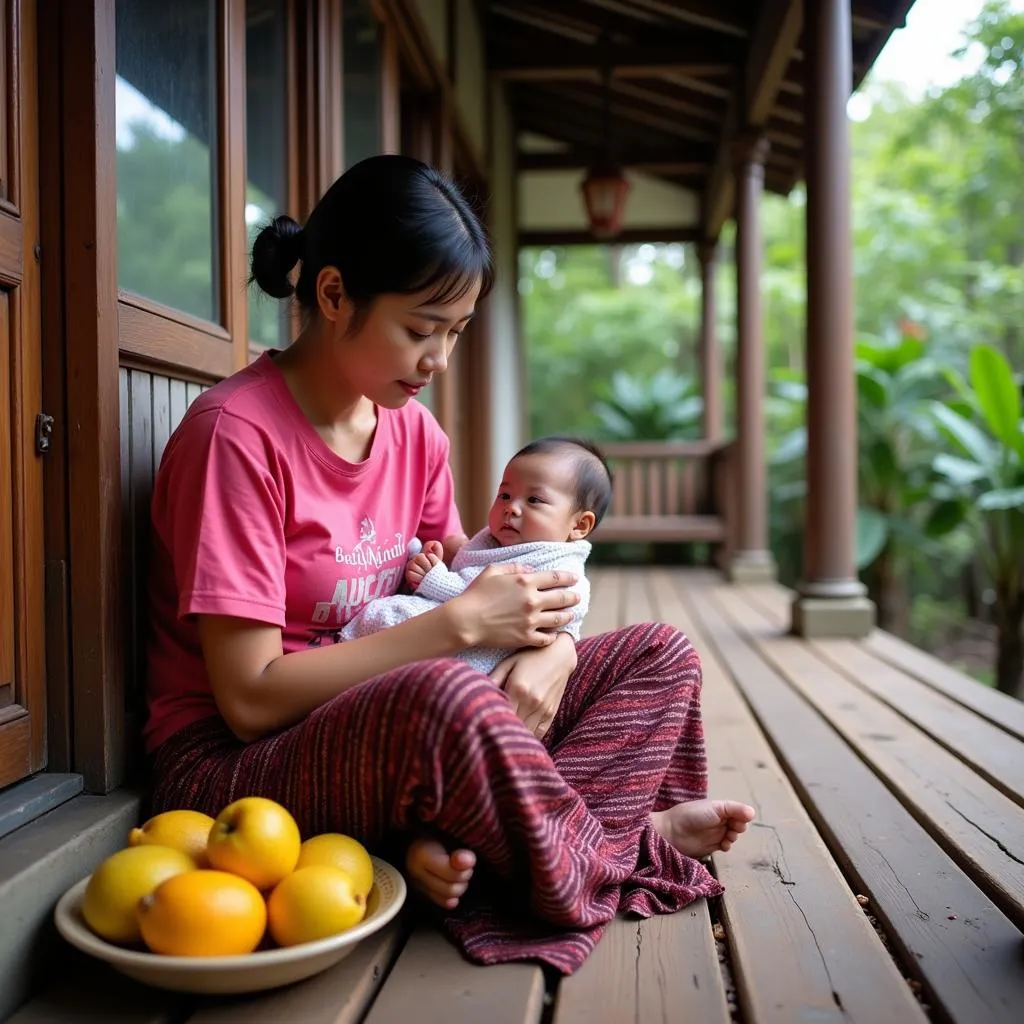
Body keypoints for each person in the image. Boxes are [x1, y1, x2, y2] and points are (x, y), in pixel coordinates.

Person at [143, 153, 754, 974]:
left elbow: (485, 585)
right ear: (332, 295)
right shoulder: (237, 439)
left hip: (394, 724)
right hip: (234, 769)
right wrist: (455, 626)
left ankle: (510, 848)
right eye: (420, 329)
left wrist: (554, 647)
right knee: (450, 694)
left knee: (661, 654)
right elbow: (250, 700)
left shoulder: (415, 435)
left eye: (455, 333)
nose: (438, 360)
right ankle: (623, 846)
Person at [338, 435, 610, 674]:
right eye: (504, 495)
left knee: (651, 642)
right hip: (446, 637)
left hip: (482, 661)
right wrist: (432, 558)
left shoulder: (559, 569)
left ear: (579, 525)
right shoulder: (499, 543)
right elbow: (472, 584)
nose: (511, 508)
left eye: (534, 500)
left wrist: (434, 579)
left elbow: (487, 602)